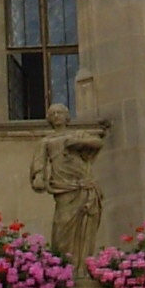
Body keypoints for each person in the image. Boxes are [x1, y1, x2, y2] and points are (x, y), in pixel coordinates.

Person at [29, 103, 104, 264]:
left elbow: (98, 142)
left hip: (84, 185)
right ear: (49, 119)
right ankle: (64, 264)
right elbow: (39, 162)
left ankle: (82, 266)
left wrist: (78, 142)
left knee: (85, 227)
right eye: (53, 114)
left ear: (67, 117)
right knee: (62, 225)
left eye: (60, 113)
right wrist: (39, 176)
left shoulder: (78, 134)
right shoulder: (46, 141)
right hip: (63, 187)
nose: (56, 116)